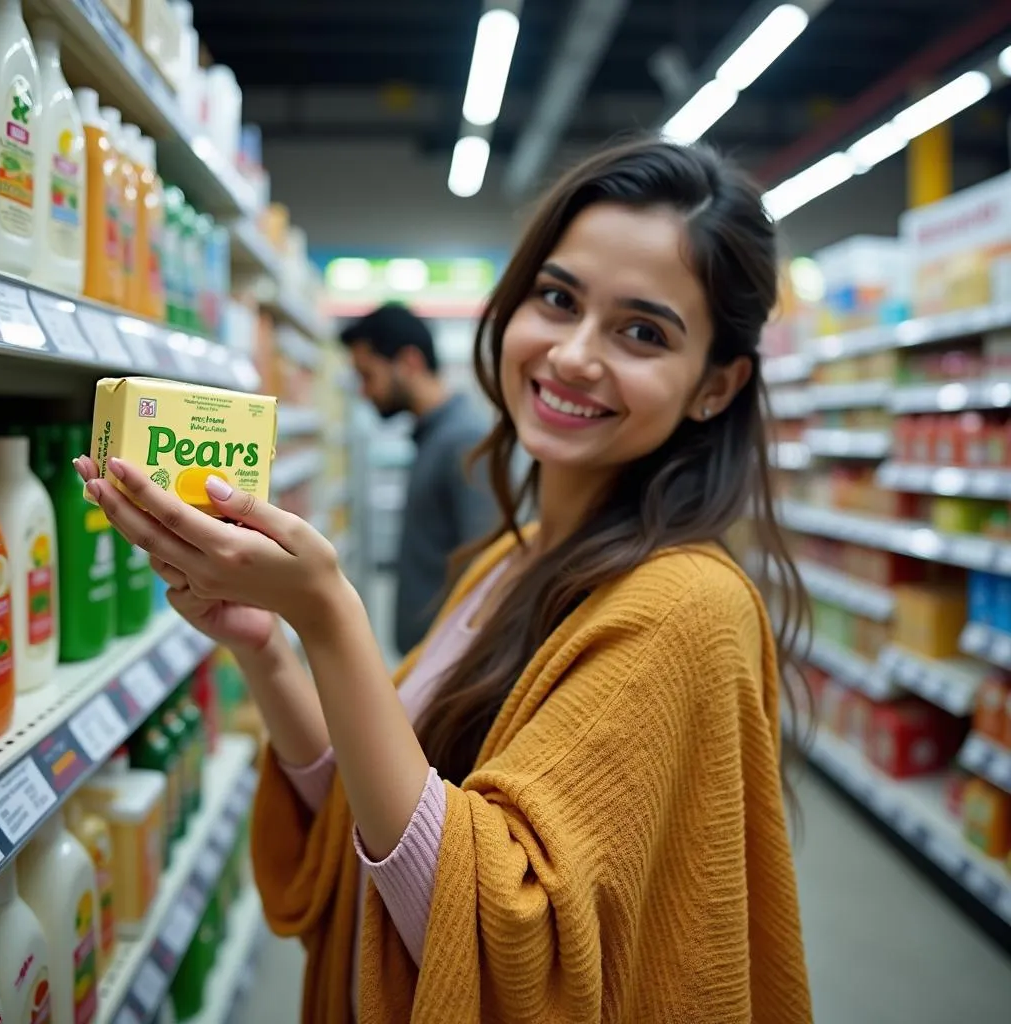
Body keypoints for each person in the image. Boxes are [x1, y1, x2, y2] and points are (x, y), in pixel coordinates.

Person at [77, 139, 813, 1023]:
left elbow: (512, 952)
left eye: (642, 331)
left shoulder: (686, 608)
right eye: (558, 298)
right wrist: (268, 646)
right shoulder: (517, 554)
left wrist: (332, 614)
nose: (575, 354)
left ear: (715, 386)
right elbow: (381, 806)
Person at [341, 303, 497, 655]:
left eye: (368, 375)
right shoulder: (434, 436)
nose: (364, 392)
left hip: (447, 665)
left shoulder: (464, 440)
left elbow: (484, 570)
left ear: (409, 363)